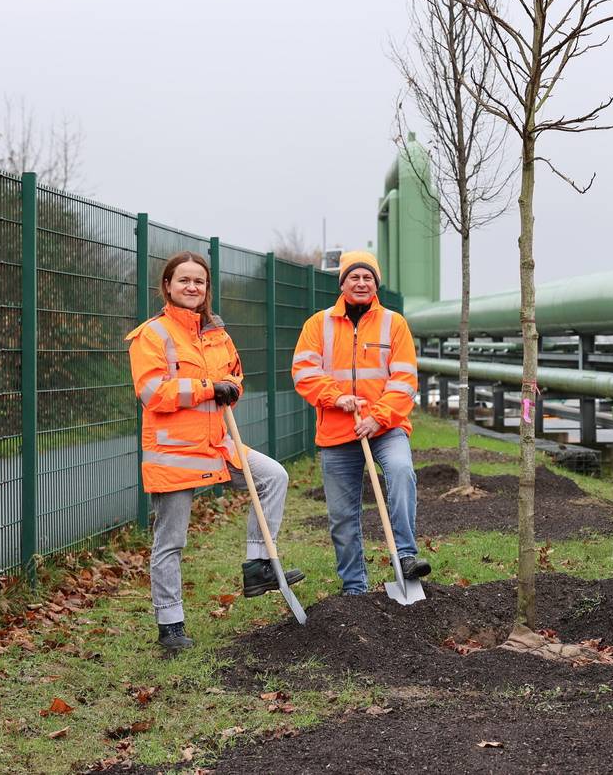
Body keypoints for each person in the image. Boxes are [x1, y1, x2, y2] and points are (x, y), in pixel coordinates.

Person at [127, 251, 304, 651]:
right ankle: (170, 626)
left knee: (273, 476)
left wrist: (231, 388)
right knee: (171, 540)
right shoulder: (151, 335)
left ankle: (258, 565)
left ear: (207, 289)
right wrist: (210, 388)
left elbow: (236, 376)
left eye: (200, 282)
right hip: (175, 452)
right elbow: (153, 393)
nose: (192, 287)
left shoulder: (217, 334)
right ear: (168, 286)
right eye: (184, 280)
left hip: (218, 442)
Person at [292, 250, 429, 595]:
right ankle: (355, 588)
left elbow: (404, 380)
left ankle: (406, 557)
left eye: (368, 277)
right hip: (337, 431)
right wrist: (336, 397)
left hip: (386, 428)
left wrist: (377, 417)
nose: (362, 282)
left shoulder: (394, 323)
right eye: (355, 277)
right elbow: (304, 373)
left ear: (376, 284)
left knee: (400, 472)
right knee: (342, 516)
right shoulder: (317, 324)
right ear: (342, 283)